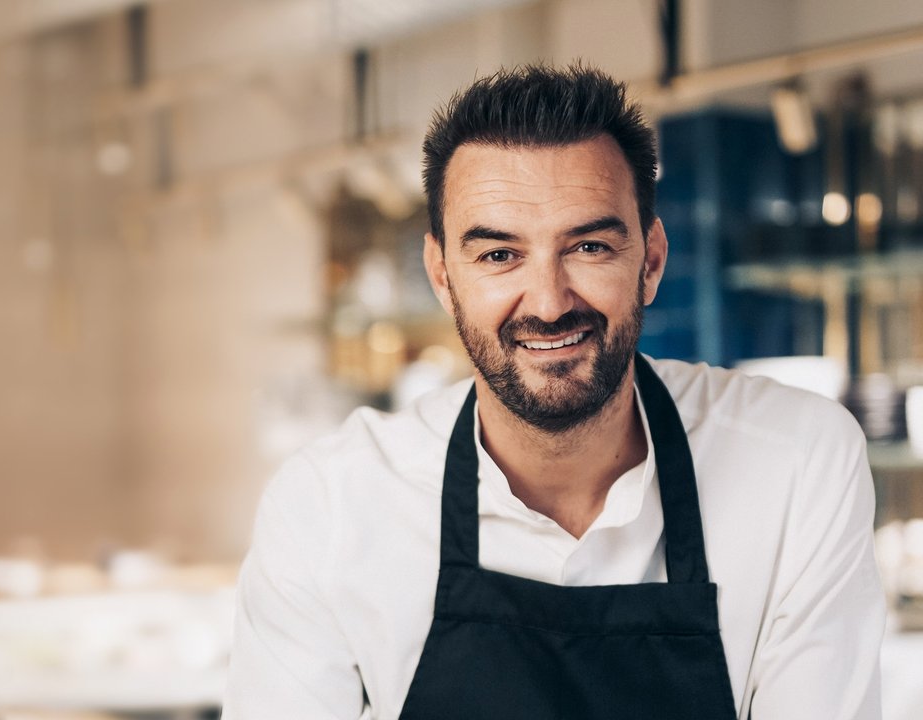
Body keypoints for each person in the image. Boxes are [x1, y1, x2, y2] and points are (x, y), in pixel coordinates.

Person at [222, 64, 885, 719]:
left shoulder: (798, 462)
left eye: (589, 246)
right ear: (442, 276)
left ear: (650, 261)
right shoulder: (330, 505)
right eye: (498, 255)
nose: (547, 301)